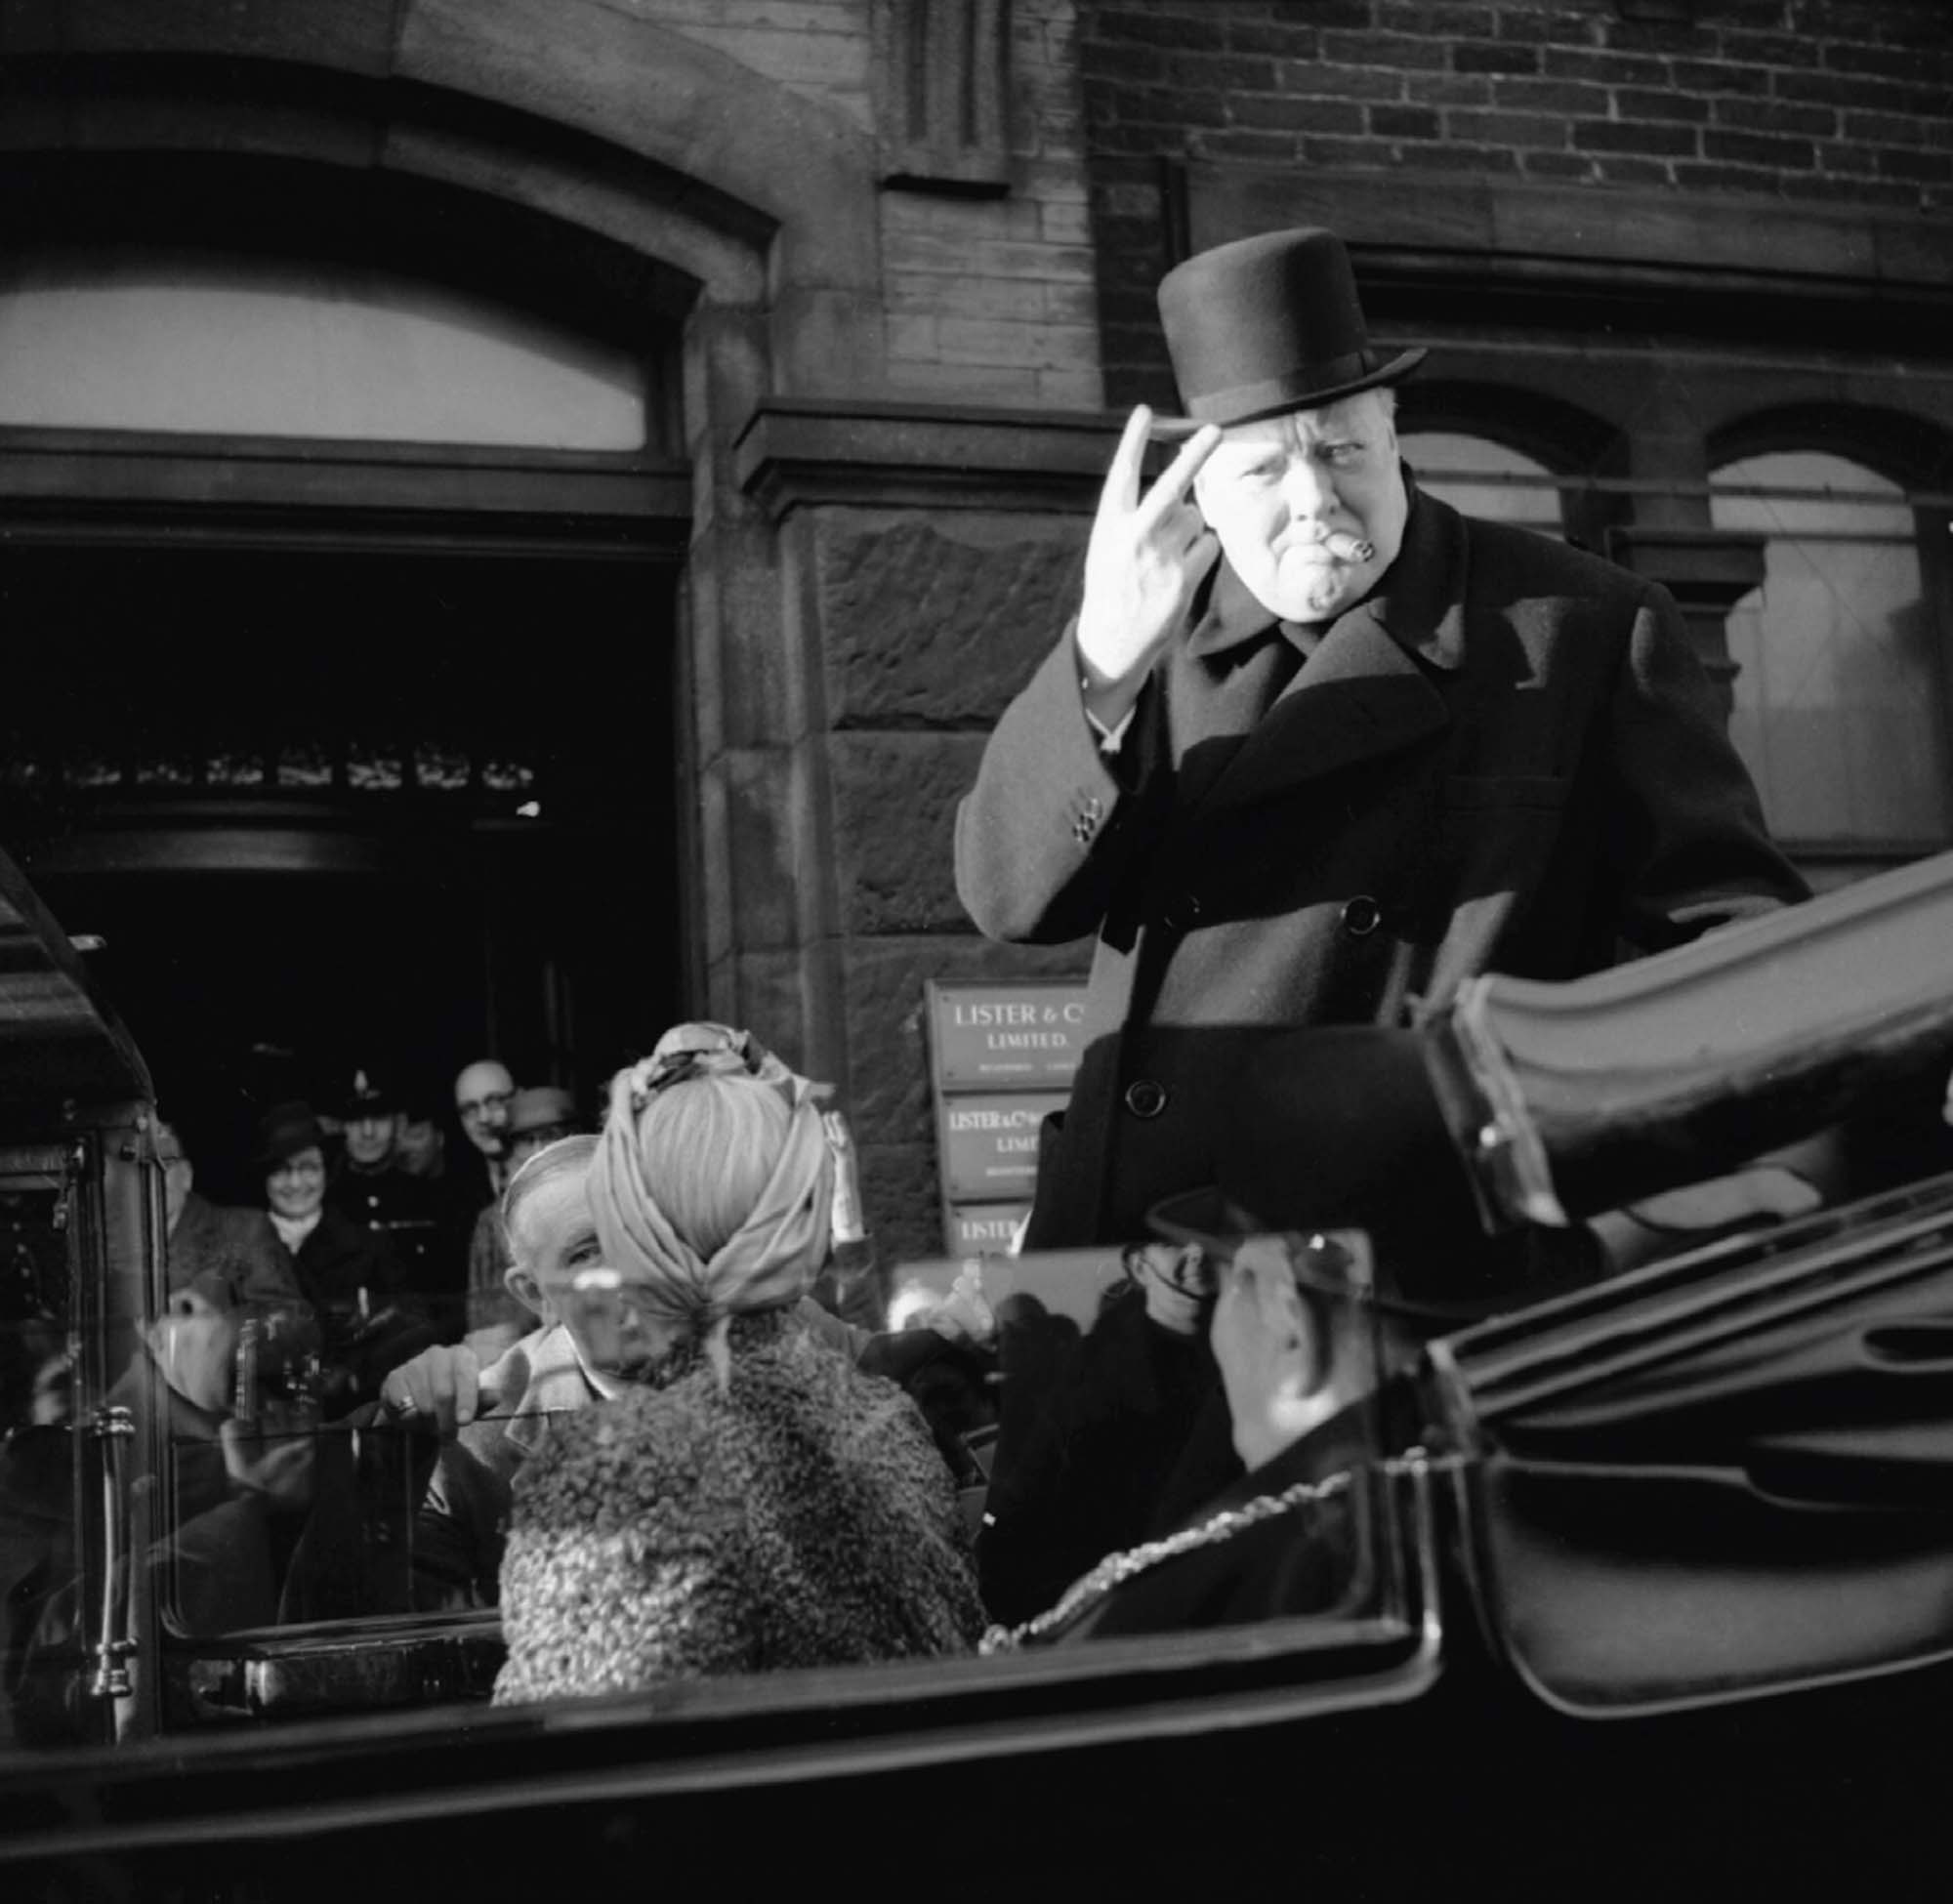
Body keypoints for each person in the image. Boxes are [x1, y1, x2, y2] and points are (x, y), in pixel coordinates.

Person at [954, 225, 1809, 1255]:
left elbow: (1729, 942)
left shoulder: (1574, 625)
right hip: (1134, 1265)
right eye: (1264, 470)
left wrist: (1623, 1192)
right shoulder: (1145, 638)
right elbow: (1007, 900)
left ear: (1391, 433)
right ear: (1200, 497)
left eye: (1341, 449)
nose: (1314, 500)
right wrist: (1098, 660)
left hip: (1422, 1267)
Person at [379, 1036, 994, 1611]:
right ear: (533, 1292)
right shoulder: (482, 1442)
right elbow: (359, 1612)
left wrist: (958, 1333)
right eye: (587, 1252)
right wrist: (388, 1448)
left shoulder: (779, 1334)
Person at [247, 1101, 434, 1414]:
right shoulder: (242, 1243)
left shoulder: (369, 1246)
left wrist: (352, 1373)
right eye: (281, 1170)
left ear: (325, 1171)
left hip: (347, 1416)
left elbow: (410, 1331)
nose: (295, 1184)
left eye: (308, 1168)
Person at [464, 1085, 582, 1356]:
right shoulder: (494, 1220)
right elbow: (486, 1323)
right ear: (511, 1150)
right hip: (528, 1356)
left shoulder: (599, 1199)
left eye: (550, 1136)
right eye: (527, 1140)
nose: (539, 1150)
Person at [327, 1067, 452, 1316]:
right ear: (342, 1126)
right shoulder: (326, 1201)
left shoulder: (430, 1198)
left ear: (397, 1123)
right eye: (356, 1121)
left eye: (379, 1118)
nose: (368, 1132)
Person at [155, 1118, 303, 1313]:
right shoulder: (108, 1243)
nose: (150, 1177)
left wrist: (223, 1330)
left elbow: (289, 1322)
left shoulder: (244, 1230)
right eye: (134, 1168)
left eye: (163, 1164)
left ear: (186, 1175)